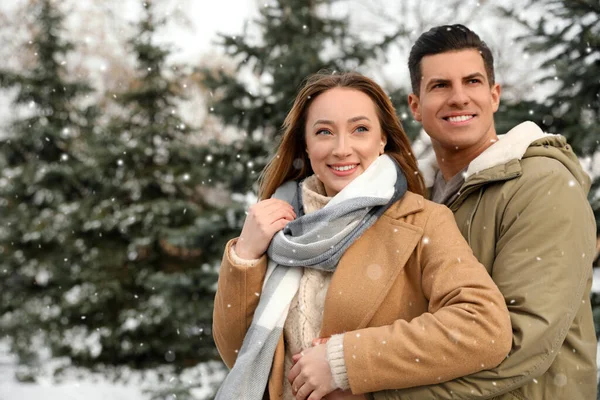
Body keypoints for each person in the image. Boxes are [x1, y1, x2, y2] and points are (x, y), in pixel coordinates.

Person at [212, 71, 512, 400]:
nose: (342, 149)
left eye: (360, 130)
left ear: (382, 140)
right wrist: (246, 255)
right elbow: (240, 355)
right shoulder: (279, 225)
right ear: (306, 144)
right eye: (324, 132)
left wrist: (346, 360)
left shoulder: (423, 221)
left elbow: (485, 328)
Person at [375, 24, 597, 399]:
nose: (459, 98)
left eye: (473, 82)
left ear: (494, 95)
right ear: (415, 106)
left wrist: (377, 392)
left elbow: (519, 341)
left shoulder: (542, 185)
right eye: (440, 85)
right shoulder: (414, 200)